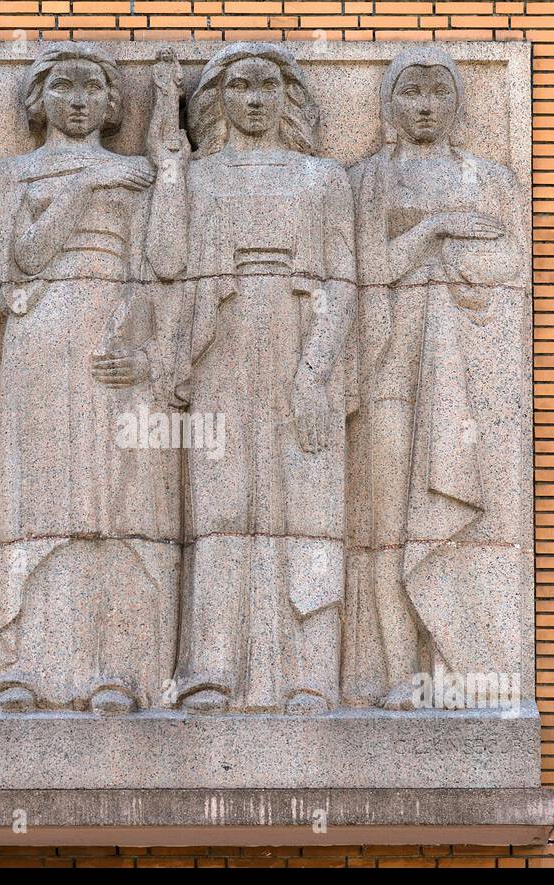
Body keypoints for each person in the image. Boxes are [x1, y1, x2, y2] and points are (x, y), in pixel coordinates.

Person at [158, 42, 356, 715]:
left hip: (302, 344)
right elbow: (168, 267)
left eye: (267, 85)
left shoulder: (324, 179)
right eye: (239, 84)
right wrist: (170, 172)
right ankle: (211, 670)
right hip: (224, 347)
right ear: (218, 97)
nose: (253, 98)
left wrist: (314, 373)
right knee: (220, 510)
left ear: (287, 97)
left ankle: (310, 676)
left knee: (309, 512)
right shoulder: (204, 179)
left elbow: (344, 285)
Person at [0, 42, 183, 714]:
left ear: (110, 101)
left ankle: (119, 666)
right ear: (39, 99)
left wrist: (169, 171)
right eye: (63, 86)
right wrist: (87, 183)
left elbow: (161, 267)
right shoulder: (13, 175)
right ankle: (24, 665)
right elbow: (25, 258)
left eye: (92, 87)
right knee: (39, 505)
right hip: (41, 342)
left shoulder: (138, 176)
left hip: (114, 343)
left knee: (119, 509)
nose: (77, 99)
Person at [344, 45, 531, 708]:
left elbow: (508, 261)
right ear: (389, 102)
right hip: (387, 365)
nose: (424, 105)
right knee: (387, 520)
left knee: (456, 511)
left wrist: (436, 249)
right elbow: (366, 267)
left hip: (467, 371)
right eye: (410, 92)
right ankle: (397, 672)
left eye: (437, 92)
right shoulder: (367, 180)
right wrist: (441, 231)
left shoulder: (490, 180)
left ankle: (462, 666)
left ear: (457, 102)